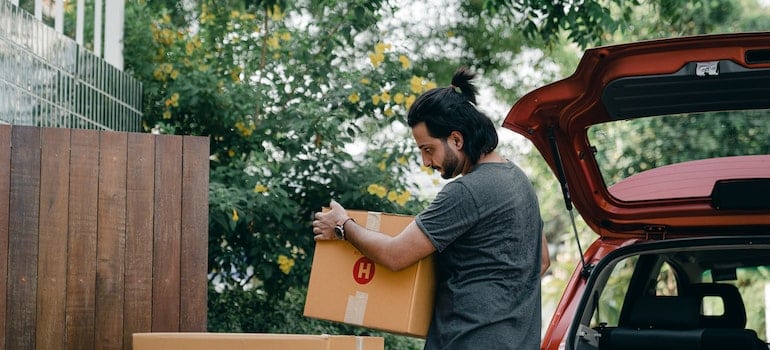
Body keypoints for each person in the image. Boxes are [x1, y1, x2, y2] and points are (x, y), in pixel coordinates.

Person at [312, 66, 545, 350]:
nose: (425, 161)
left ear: (456, 140)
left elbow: (396, 255)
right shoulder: (519, 182)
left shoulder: (467, 191)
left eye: (428, 149)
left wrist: (342, 226)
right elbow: (541, 260)